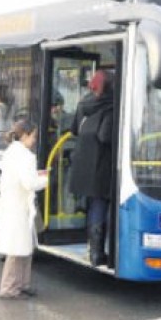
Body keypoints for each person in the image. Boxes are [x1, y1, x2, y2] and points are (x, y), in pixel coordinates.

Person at [0, 119, 48, 300]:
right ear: (25, 135)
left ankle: (22, 284)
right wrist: (45, 179)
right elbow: (29, 183)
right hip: (19, 208)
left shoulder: (11, 151)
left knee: (24, 246)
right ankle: (9, 288)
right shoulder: (26, 156)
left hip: (13, 205)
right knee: (17, 249)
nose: (34, 140)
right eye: (33, 136)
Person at [68, 70, 114, 267]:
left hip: (82, 163)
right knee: (100, 205)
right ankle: (97, 252)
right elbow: (105, 136)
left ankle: (92, 249)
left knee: (93, 204)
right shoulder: (111, 105)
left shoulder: (84, 103)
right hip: (101, 164)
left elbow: (74, 129)